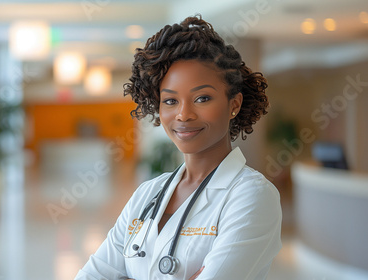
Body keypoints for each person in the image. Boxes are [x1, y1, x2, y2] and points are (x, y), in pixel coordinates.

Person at [75, 14, 281, 280]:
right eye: (170, 101)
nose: (183, 115)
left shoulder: (251, 196)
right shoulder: (147, 194)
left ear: (234, 104)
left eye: (202, 98)